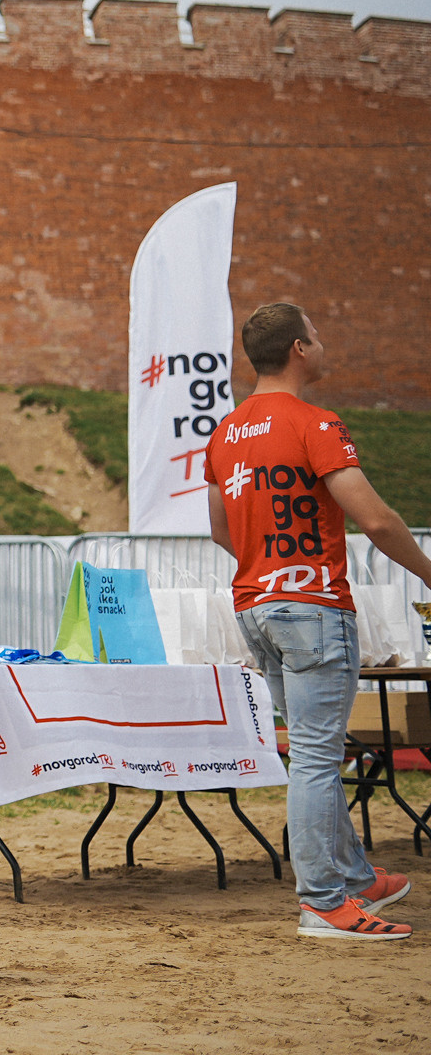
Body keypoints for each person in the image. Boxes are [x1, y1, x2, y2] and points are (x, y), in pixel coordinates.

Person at [206, 300, 430, 941]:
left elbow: (221, 529)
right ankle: (324, 902)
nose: (323, 343)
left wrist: (267, 566)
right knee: (315, 757)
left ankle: (353, 878)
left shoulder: (224, 433)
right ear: (300, 349)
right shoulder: (316, 423)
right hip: (311, 606)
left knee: (310, 749)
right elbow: (379, 520)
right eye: (318, 335)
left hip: (256, 605)